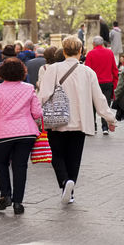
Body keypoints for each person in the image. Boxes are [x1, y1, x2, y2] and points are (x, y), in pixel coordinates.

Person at [38, 36, 116, 205]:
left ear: (64, 51)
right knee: (74, 157)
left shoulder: (53, 69)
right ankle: (70, 190)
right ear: (81, 52)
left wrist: (36, 116)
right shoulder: (88, 72)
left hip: (56, 120)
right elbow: (99, 99)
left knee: (56, 155)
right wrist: (110, 119)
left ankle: (65, 182)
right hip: (80, 121)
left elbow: (43, 96)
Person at [0, 57, 42, 214]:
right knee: (20, 166)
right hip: (26, 133)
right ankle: (18, 203)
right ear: (22, 73)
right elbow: (37, 113)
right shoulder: (29, 88)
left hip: (3, 134)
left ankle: (5, 195)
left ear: (2, 73)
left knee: (0, 163)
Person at [85, 36, 118, 135]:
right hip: (107, 82)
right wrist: (115, 83)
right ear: (102, 43)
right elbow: (114, 69)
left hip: (94, 83)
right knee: (106, 104)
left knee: (92, 105)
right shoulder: (109, 53)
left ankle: (93, 126)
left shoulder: (90, 54)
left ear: (94, 44)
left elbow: (87, 70)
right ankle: (105, 127)